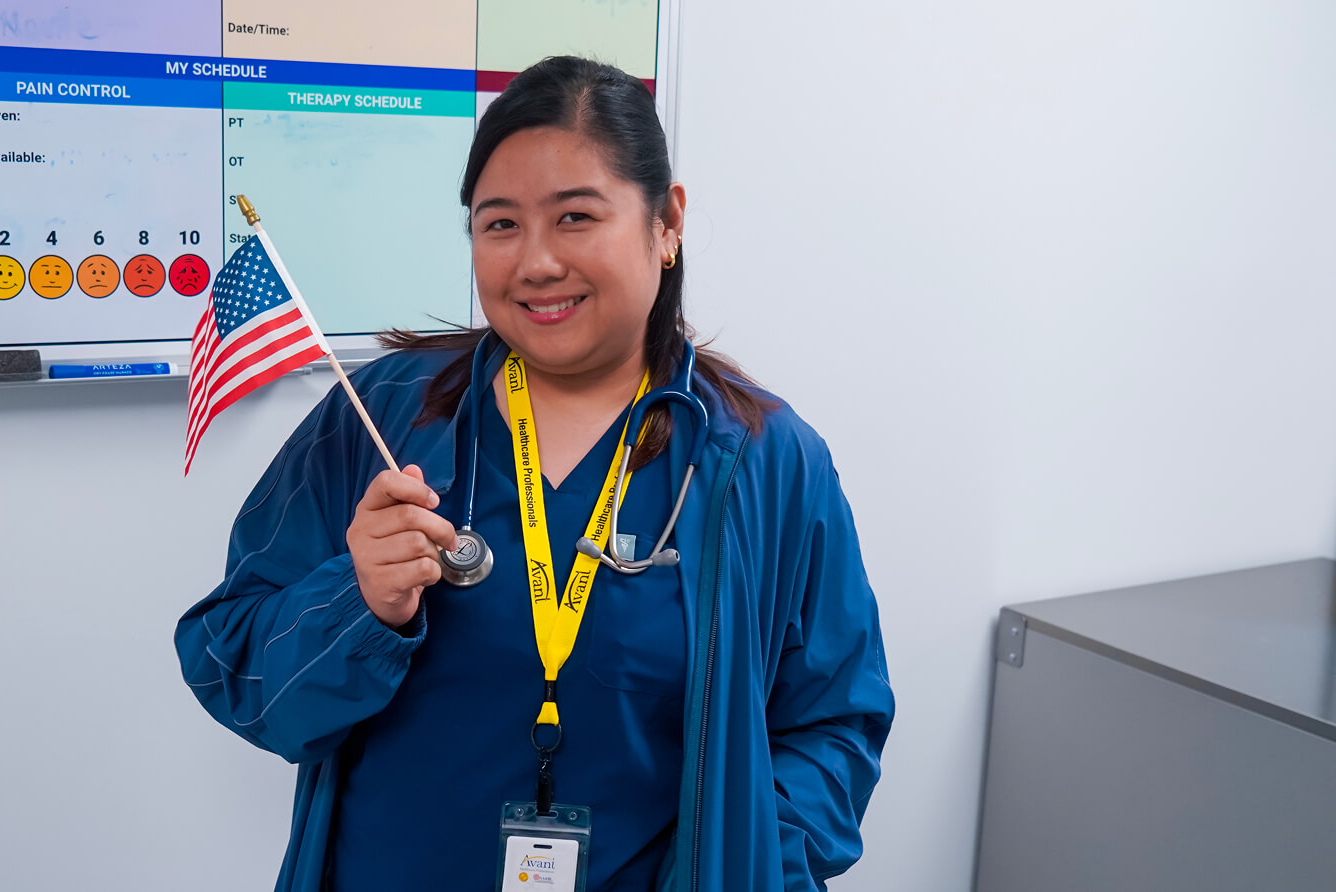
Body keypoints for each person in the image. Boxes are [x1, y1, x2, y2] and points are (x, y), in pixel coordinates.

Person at [175, 56, 893, 892]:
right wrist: (356, 601)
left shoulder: (762, 461)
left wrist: (746, 865)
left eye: (576, 217)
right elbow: (231, 664)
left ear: (667, 223)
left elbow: (836, 726)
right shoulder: (383, 422)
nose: (537, 263)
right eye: (501, 224)